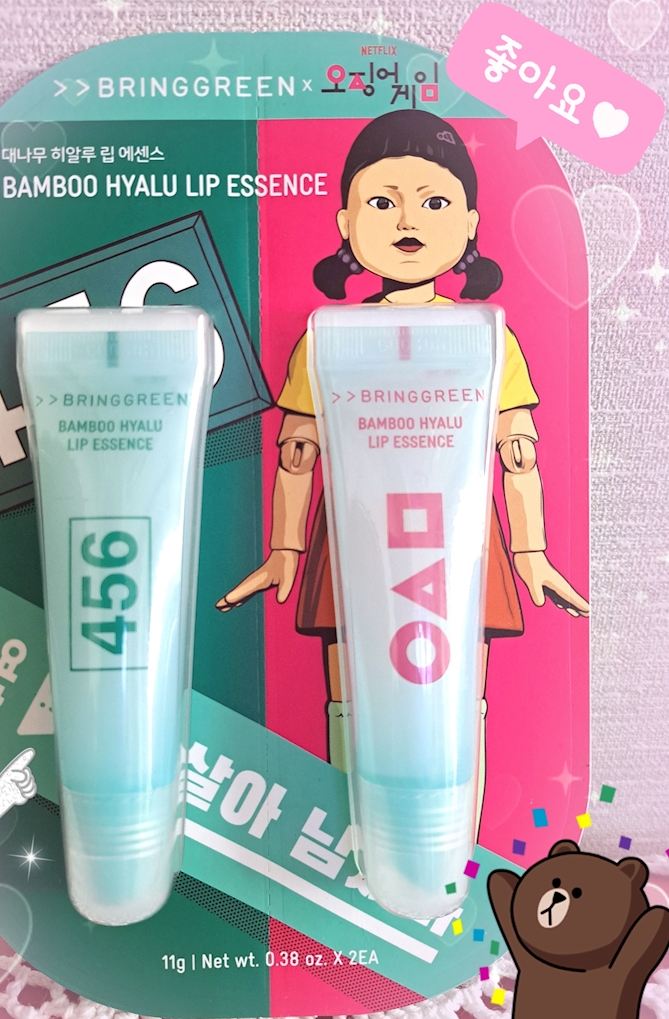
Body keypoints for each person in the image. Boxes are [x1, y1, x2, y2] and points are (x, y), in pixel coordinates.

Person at [216, 110, 588, 827]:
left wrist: (532, 554)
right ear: (346, 222)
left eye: (435, 201)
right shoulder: (325, 340)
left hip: (460, 547)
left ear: (471, 223)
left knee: (457, 698)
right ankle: (354, 829)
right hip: (353, 542)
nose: (408, 220)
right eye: (383, 202)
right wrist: (285, 549)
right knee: (351, 696)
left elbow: (519, 452)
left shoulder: (490, 341)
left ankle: (452, 833)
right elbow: (297, 452)